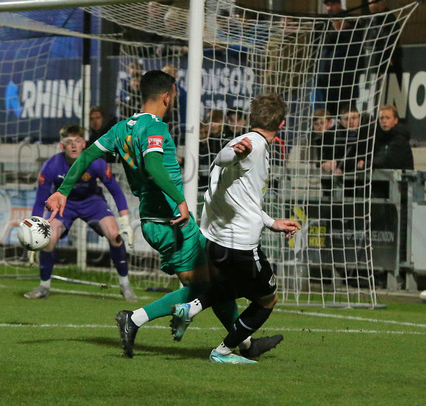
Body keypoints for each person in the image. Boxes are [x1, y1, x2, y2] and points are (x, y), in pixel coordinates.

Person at [46, 71, 282, 359]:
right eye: (174, 95)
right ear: (167, 96)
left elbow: (85, 155)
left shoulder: (121, 128)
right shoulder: (155, 128)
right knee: (206, 286)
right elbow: (155, 166)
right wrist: (181, 201)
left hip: (152, 220)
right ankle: (134, 319)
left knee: (211, 281)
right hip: (172, 221)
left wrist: (63, 191)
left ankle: (245, 344)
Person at [170, 93, 300, 364]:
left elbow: (242, 196)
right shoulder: (252, 145)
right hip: (239, 244)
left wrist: (272, 223)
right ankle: (224, 351)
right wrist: (235, 152)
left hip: (215, 240)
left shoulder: (245, 142)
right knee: (267, 298)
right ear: (283, 124)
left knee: (236, 285)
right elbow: (224, 157)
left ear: (252, 118)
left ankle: (191, 309)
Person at [25, 124, 136, 301]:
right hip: (64, 205)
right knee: (49, 238)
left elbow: (116, 190)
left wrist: (125, 221)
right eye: (69, 142)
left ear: (84, 144)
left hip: (93, 202)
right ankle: (44, 286)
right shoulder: (50, 166)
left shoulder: (96, 163)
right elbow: (40, 200)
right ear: (62, 145)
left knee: (115, 234)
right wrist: (35, 232)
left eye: (78, 141)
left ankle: (125, 285)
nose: (74, 145)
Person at [319, 105, 372, 198]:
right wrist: (325, 164)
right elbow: (323, 157)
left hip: (360, 184)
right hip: (332, 185)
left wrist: (339, 164)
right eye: (346, 119)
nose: (351, 122)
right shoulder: (330, 135)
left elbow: (364, 157)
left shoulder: (367, 135)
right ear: (341, 121)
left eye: (354, 118)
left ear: (359, 119)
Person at [372, 105, 414, 198]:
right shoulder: (378, 139)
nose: (384, 121)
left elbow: (388, 163)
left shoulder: (400, 140)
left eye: (387, 118)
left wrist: (366, 163)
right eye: (381, 118)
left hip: (399, 191)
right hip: (383, 187)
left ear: (395, 120)